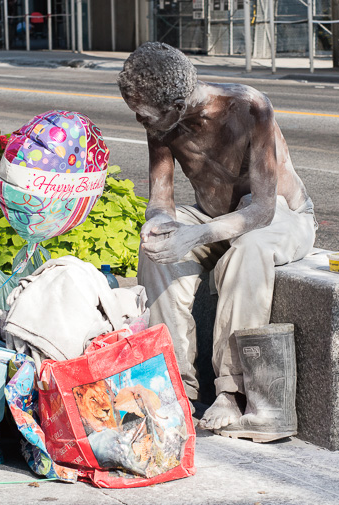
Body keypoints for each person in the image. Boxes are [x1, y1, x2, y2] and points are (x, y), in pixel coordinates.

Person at [117, 42, 317, 436]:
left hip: (281, 216)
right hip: (214, 218)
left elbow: (262, 210)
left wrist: (197, 234)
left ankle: (231, 391)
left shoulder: (250, 107)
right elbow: (161, 200)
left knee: (248, 248)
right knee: (157, 252)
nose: (139, 121)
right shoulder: (162, 124)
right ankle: (174, 384)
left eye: (143, 114)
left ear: (176, 105)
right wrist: (158, 224)